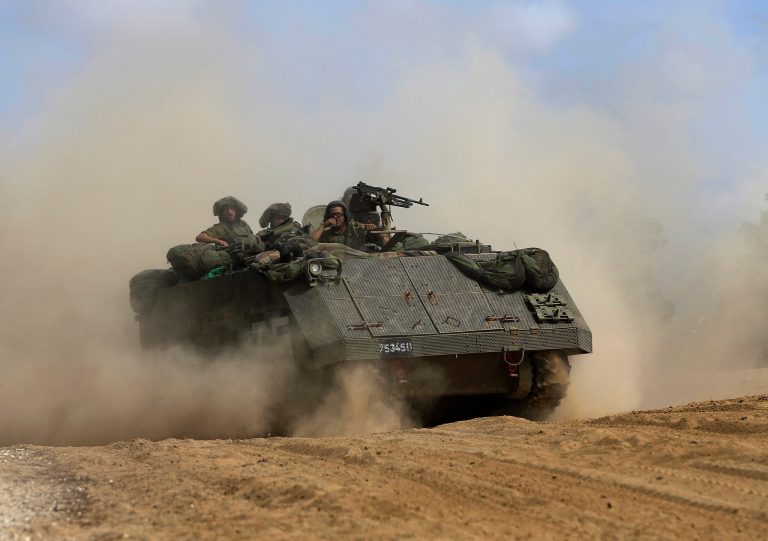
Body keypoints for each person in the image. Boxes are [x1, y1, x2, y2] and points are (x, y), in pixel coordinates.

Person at [310, 200, 376, 251]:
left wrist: (373, 228)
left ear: (345, 215)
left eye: (338, 214)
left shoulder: (356, 230)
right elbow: (311, 241)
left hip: (358, 263)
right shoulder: (326, 234)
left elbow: (382, 237)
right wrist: (323, 226)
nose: (336, 217)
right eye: (332, 215)